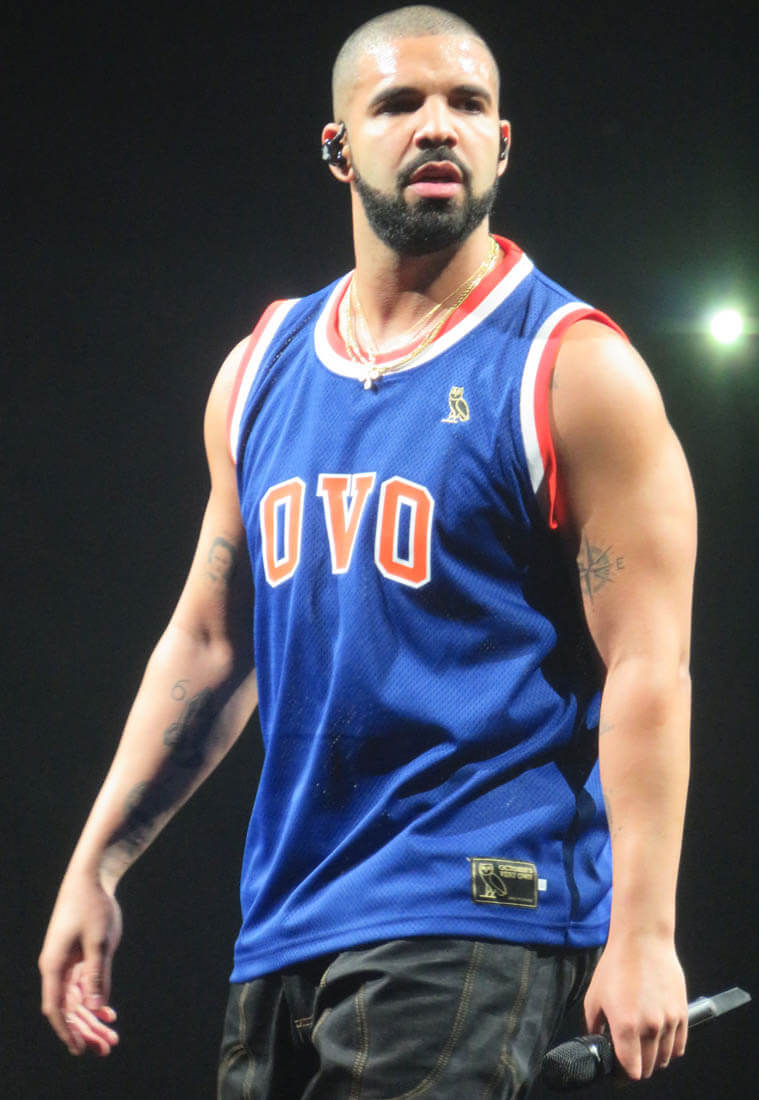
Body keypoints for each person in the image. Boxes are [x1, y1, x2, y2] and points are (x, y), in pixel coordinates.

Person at [39, 6, 697, 1097]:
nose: (437, 126)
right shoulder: (261, 369)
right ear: (339, 147)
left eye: (467, 104)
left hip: (475, 902)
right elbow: (209, 645)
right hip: (290, 914)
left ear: (501, 144)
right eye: (398, 103)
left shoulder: (570, 369)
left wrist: (643, 931)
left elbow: (648, 666)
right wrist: (95, 864)